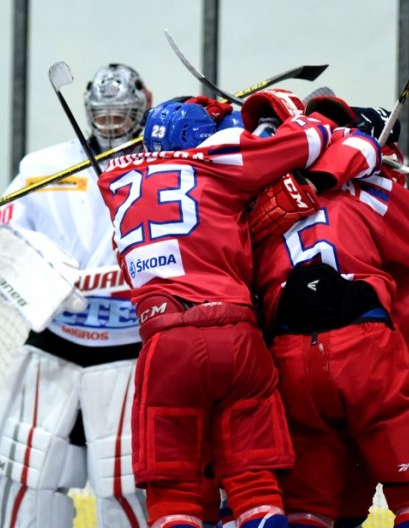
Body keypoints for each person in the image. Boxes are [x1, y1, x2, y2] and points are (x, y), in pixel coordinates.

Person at [97, 89, 344, 528]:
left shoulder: (112, 185)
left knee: (175, 493)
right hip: (235, 335)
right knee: (255, 483)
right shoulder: (219, 162)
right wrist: (256, 116)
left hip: (165, 345)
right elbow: (312, 136)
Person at [0, 63, 152, 528]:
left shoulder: (165, 163)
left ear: (142, 110)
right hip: (55, 341)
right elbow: (2, 239)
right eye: (103, 115)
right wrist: (45, 274)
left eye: (122, 115)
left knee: (130, 483)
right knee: (23, 475)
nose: (111, 125)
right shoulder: (44, 166)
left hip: (131, 349)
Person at [249, 97, 409, 527]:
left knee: (310, 504)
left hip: (288, 354)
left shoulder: (251, 197)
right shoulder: (373, 189)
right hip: (367, 348)